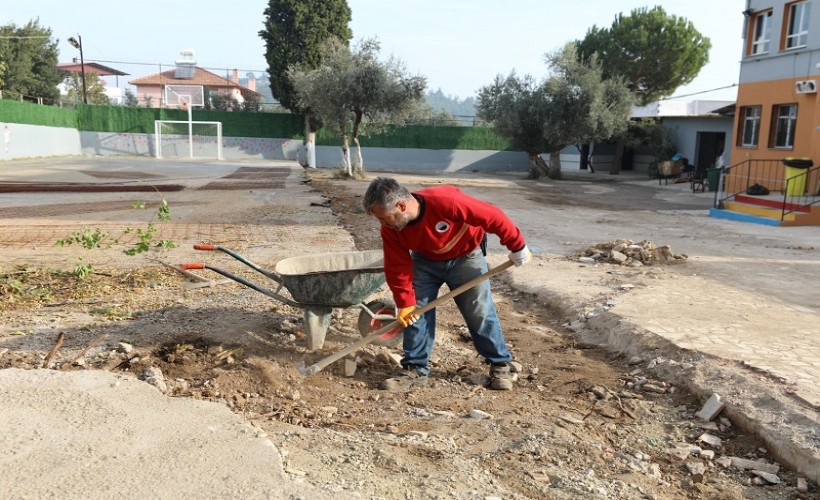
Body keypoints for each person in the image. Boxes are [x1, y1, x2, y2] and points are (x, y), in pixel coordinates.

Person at [362, 177, 532, 392]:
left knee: (478, 310)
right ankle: (415, 370)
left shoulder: (446, 202)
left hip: (466, 257)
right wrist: (405, 301)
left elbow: (493, 216)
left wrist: (517, 246)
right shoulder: (392, 230)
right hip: (425, 261)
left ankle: (500, 364)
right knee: (415, 312)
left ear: (402, 206)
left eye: (385, 218)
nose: (383, 224)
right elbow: (397, 265)